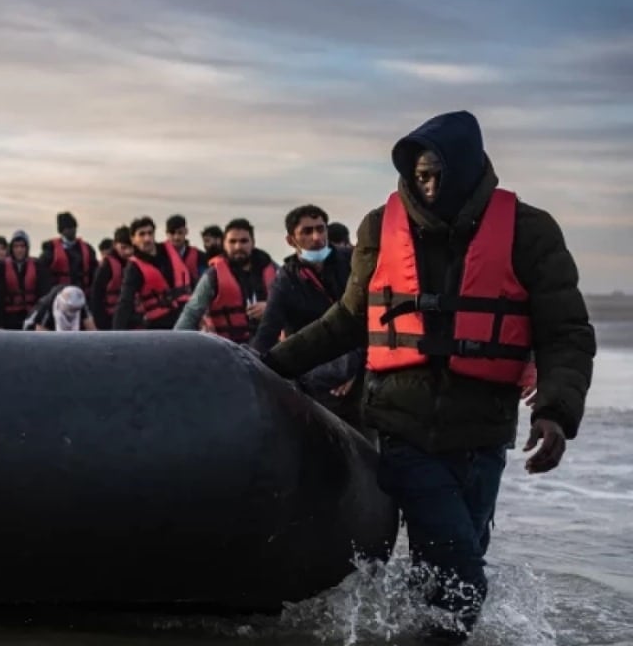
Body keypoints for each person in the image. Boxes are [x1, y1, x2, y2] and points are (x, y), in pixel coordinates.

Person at [261, 111, 596, 642]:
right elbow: (349, 320)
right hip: (404, 428)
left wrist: (556, 412)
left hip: (484, 432)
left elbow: (566, 331)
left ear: (469, 169)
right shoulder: (380, 226)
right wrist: (266, 367)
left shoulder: (530, 231)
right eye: (421, 177)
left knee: (448, 568)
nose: (431, 187)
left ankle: (407, 631)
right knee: (463, 585)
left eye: (440, 175)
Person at [252, 205, 360, 425]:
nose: (317, 237)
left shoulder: (352, 263)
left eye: (321, 229)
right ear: (291, 240)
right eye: (307, 231)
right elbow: (267, 331)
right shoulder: (285, 281)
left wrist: (357, 372)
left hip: (359, 364)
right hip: (315, 372)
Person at [174, 218, 276, 342]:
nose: (238, 246)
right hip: (229, 346)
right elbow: (191, 313)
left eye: (244, 241)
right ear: (224, 244)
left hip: (268, 344)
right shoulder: (213, 275)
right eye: (232, 241)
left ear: (253, 243)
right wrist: (174, 343)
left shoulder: (274, 270)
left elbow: (291, 304)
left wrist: (270, 308)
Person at [114, 216, 191, 330]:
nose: (147, 238)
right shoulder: (134, 268)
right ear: (133, 239)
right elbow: (125, 303)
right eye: (142, 234)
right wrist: (116, 334)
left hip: (186, 319)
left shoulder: (171, 251)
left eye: (150, 233)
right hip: (160, 327)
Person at [0, 230, 47, 329]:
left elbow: (43, 294)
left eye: (22, 246)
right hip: (9, 318)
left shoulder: (37, 266)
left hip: (31, 316)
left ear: (27, 248)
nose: (19, 250)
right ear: (11, 249)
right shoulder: (2, 267)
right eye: (16, 247)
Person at [39, 211, 97, 290]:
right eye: (68, 228)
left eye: (73, 227)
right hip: (59, 292)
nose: (72, 230)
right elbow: (42, 272)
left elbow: (94, 271)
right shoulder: (51, 250)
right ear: (61, 231)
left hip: (82, 291)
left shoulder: (87, 249)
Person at [91, 226, 133, 331]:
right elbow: (96, 295)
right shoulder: (106, 266)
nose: (128, 252)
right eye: (123, 247)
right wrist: (101, 323)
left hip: (133, 318)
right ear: (115, 245)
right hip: (110, 319)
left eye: (131, 247)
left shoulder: (136, 263)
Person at [24, 285, 96, 331]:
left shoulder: (79, 303)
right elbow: (40, 332)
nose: (73, 311)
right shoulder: (47, 304)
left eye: (75, 309)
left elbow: (92, 329)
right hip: (34, 329)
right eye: (71, 308)